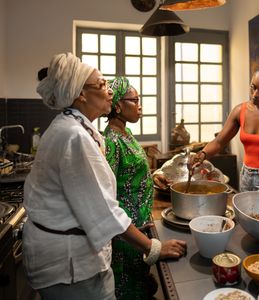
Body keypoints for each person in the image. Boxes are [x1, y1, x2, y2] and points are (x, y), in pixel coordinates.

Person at [23, 53, 186, 300]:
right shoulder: (73, 137)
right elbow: (103, 210)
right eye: (101, 84)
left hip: (71, 258)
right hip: (70, 267)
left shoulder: (77, 128)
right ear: (81, 94)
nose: (109, 91)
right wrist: (153, 248)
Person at [103, 76, 178, 299]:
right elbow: (108, 194)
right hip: (126, 233)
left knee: (140, 281)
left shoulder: (126, 134)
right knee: (128, 288)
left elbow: (129, 175)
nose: (140, 105)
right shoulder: (111, 142)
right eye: (134, 100)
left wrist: (154, 177)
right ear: (117, 106)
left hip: (140, 224)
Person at [192, 63, 259, 199]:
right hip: (247, 178)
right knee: (246, 220)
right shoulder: (239, 111)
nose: (255, 95)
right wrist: (202, 155)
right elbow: (219, 142)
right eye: (253, 87)